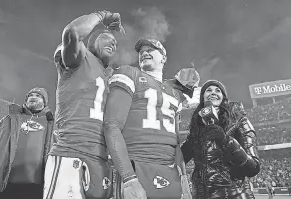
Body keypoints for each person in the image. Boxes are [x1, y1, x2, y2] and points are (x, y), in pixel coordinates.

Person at [44, 10, 125, 199]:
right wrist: (103, 15)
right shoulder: (80, 58)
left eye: (115, 42)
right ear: (91, 42)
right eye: (107, 38)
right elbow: (72, 32)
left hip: (101, 159)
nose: (113, 43)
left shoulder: (110, 75)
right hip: (71, 152)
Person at [103, 38, 198, 199]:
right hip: (138, 165)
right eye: (141, 51)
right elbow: (111, 125)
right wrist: (128, 177)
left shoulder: (174, 93)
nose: (144, 52)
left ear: (163, 58)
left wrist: (183, 177)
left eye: (150, 49)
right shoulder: (129, 73)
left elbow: (175, 141)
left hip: (170, 171)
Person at [181, 80, 261, 199]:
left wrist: (226, 141)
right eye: (208, 90)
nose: (213, 92)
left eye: (218, 90)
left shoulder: (239, 119)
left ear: (223, 97)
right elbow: (180, 158)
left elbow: (253, 168)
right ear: (202, 97)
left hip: (235, 195)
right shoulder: (196, 127)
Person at [0, 87, 54, 199]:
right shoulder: (9, 119)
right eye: (30, 95)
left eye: (38, 96)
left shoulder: (50, 123)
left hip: (37, 187)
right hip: (5, 182)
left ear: (45, 102)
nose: (33, 97)